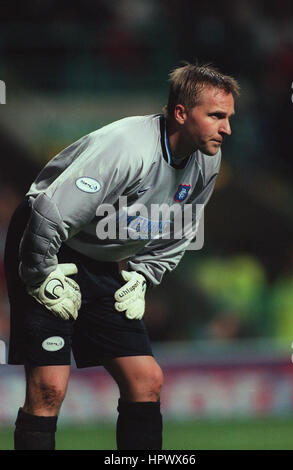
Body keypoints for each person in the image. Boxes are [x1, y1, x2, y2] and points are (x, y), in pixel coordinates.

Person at [4, 62, 239, 450]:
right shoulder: (127, 148)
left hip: (100, 256)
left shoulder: (207, 159)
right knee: (49, 387)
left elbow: (182, 226)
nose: (227, 128)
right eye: (216, 116)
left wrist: (144, 275)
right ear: (181, 113)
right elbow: (49, 211)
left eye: (228, 117)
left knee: (146, 380)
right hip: (44, 244)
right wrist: (39, 274)